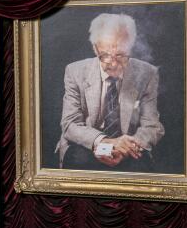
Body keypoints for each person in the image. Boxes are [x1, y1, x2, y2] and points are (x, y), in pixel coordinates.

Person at [57, 13, 164, 171]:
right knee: (78, 160)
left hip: (128, 147)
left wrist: (126, 148)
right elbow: (70, 124)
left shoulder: (148, 74)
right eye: (105, 55)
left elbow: (152, 126)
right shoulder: (75, 71)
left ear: (130, 48)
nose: (113, 63)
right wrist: (105, 142)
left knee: (142, 167)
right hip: (87, 144)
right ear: (95, 48)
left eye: (120, 55)